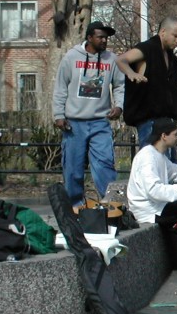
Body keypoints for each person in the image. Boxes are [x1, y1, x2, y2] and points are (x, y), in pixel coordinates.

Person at [52, 21, 125, 207]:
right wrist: (58, 115)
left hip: (100, 121)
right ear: (90, 37)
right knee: (73, 168)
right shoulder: (71, 58)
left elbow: (120, 85)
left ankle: (113, 205)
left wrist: (119, 106)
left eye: (106, 38)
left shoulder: (111, 60)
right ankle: (74, 208)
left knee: (105, 165)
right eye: (100, 37)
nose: (104, 41)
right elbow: (60, 87)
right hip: (74, 123)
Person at [116, 16, 177, 159]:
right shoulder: (147, 48)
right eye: (175, 36)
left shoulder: (170, 56)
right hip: (150, 120)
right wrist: (131, 73)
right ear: (163, 32)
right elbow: (121, 59)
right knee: (153, 164)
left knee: (170, 167)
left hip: (167, 121)